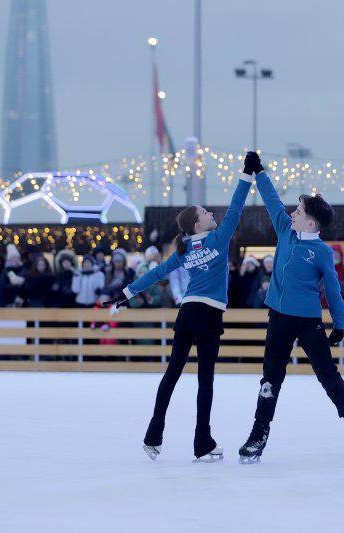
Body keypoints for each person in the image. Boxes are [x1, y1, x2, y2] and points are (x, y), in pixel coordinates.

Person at [106, 152, 253, 463]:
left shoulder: (185, 250)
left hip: (186, 313)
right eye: (204, 211)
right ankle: (202, 441)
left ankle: (153, 434)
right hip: (208, 314)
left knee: (172, 373)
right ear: (198, 222)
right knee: (205, 380)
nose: (211, 212)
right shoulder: (218, 238)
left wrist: (126, 293)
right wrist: (246, 175)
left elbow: (157, 272)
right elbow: (237, 209)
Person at [236, 152, 344, 465]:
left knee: (328, 376)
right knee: (271, 377)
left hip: (309, 322)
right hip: (278, 319)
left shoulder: (321, 252)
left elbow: (334, 289)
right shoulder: (285, 230)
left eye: (297, 211)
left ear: (310, 221)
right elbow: (270, 199)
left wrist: (340, 323)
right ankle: (259, 433)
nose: (291, 213)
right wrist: (260, 172)